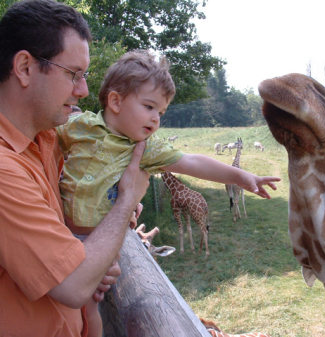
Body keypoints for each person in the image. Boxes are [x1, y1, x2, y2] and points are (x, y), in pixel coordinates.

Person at [56, 50, 281, 336]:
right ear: (115, 101)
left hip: (102, 244)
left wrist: (241, 176)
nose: (156, 118)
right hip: (61, 235)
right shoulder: (77, 126)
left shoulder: (146, 148)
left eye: (161, 112)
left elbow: (191, 161)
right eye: (149, 106)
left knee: (90, 309)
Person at [0, 1, 150, 336]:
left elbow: (65, 239)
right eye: (73, 74)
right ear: (24, 68)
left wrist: (88, 252)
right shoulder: (4, 169)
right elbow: (73, 284)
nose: (82, 90)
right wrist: (125, 200)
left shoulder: (47, 141)